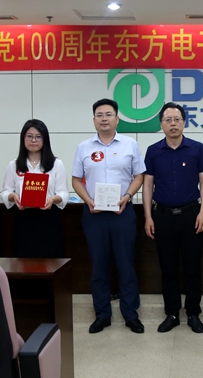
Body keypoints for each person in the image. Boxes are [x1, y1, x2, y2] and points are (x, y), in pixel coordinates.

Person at [71, 98, 146, 334]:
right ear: (94, 120)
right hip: (94, 214)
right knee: (99, 266)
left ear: (117, 119)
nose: (104, 118)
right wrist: (88, 200)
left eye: (109, 114)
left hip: (123, 213)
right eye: (100, 115)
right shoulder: (84, 147)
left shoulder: (130, 145)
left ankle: (131, 315)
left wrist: (128, 195)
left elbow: (139, 176)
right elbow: (76, 180)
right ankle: (102, 315)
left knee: (126, 265)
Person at [142, 103, 203, 334]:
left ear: (184, 122)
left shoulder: (197, 148)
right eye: (168, 120)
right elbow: (148, 184)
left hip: (191, 214)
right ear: (161, 124)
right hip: (162, 216)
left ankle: (193, 313)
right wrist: (148, 216)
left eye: (177, 119)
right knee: (168, 268)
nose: (173, 124)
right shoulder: (153, 151)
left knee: (193, 266)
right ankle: (172, 313)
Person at [0, 119, 69, 258]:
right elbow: (5, 191)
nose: (33, 140)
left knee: (50, 260)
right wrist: (13, 197)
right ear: (23, 138)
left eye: (38, 137)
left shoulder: (56, 164)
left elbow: (64, 193)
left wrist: (52, 200)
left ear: (45, 139)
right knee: (24, 260)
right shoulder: (14, 165)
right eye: (29, 136)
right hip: (24, 218)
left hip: (48, 218)